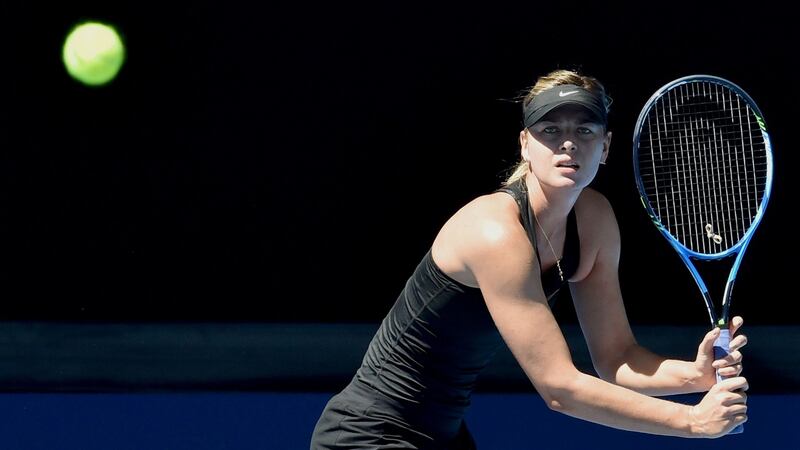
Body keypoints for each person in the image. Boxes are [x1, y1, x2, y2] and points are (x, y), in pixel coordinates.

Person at [310, 69, 748, 449]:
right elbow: (559, 388)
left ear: (606, 146)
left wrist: (692, 376)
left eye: (585, 130)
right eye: (550, 130)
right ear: (525, 144)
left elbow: (616, 358)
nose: (568, 143)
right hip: (367, 433)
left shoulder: (594, 220)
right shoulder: (494, 231)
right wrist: (692, 421)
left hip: (443, 434)